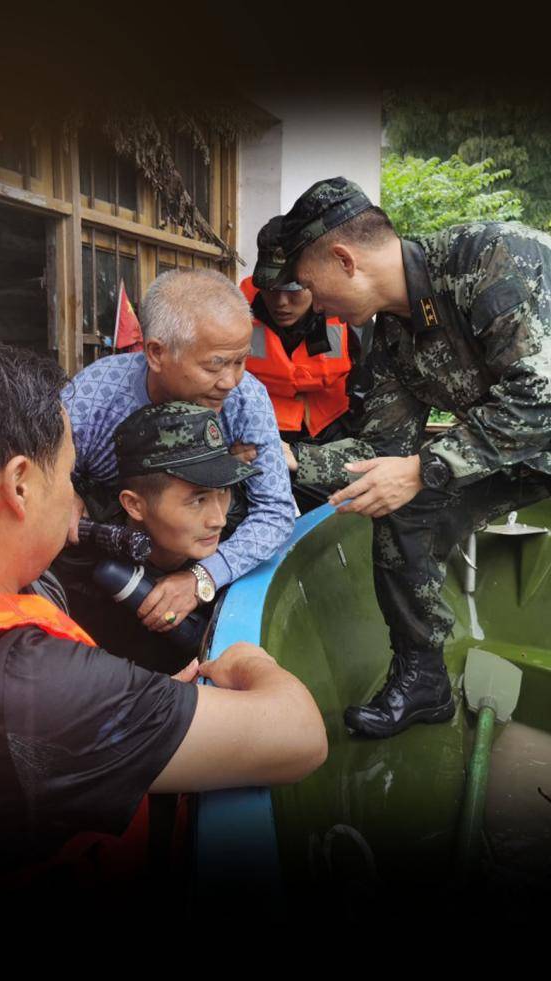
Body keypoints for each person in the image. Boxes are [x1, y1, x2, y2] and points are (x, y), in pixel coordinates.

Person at [0, 334, 327, 889]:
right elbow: (299, 737)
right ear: (21, 486)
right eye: (69, 474)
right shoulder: (28, 682)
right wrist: (245, 658)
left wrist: (137, 709)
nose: (75, 499)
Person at [273, 176, 551, 739]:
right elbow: (384, 452)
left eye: (309, 284)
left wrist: (427, 468)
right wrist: (296, 460)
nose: (311, 303)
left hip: (537, 428)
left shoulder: (489, 257)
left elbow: (540, 396)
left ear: (344, 258)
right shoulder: (391, 339)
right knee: (399, 506)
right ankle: (424, 679)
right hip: (521, 452)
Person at [63, 268, 296, 633]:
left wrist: (203, 577)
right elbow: (35, 469)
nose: (231, 381)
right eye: (215, 365)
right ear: (156, 353)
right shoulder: (95, 396)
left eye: (241, 361)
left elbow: (275, 511)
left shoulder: (246, 399)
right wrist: (64, 491)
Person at [70, 400, 261, 674]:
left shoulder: (243, 529)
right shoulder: (82, 552)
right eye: (198, 500)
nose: (218, 519)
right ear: (134, 505)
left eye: (224, 493)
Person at [241, 215, 363, 447]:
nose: (281, 302)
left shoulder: (350, 313)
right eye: (270, 289)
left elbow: (368, 386)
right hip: (259, 426)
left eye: (293, 289)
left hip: (332, 425)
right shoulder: (233, 309)